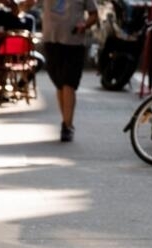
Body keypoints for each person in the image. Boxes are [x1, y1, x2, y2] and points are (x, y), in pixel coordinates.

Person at [17, 0, 98, 142]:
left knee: (69, 83)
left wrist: (84, 25)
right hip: (51, 41)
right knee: (60, 84)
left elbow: (94, 15)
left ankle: (67, 125)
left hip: (73, 42)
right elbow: (29, 3)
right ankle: (66, 122)